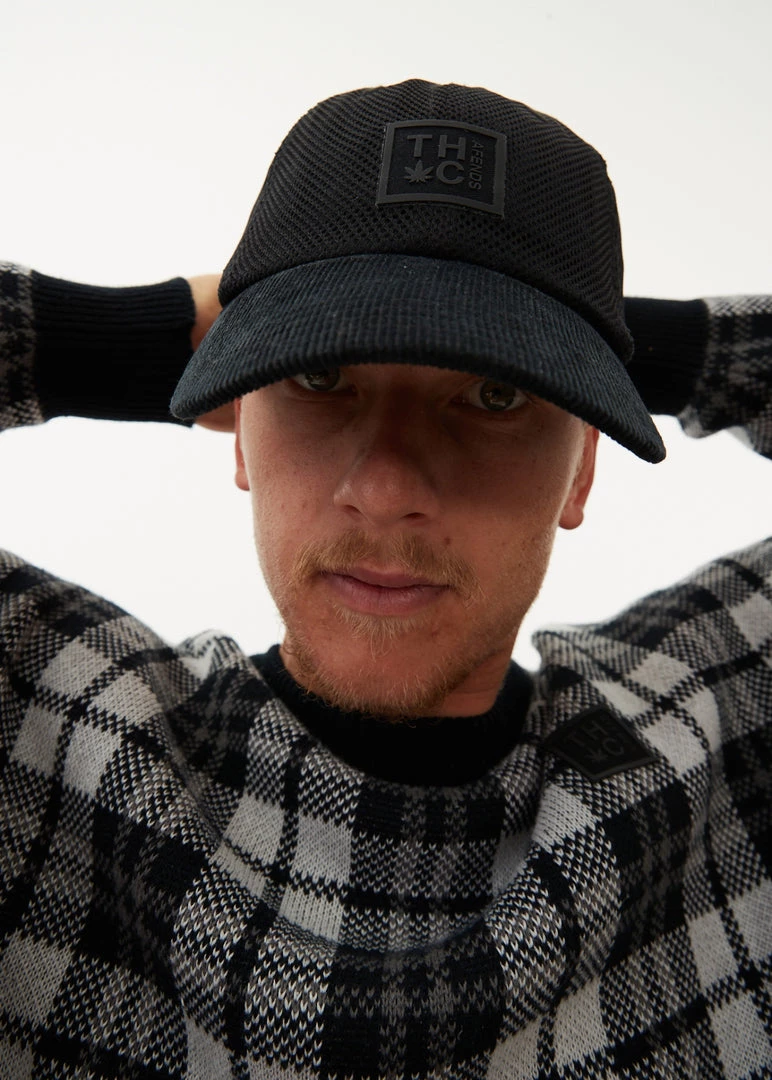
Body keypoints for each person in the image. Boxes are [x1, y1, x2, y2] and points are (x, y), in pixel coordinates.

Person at [0, 79, 769, 1080]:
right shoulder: (49, 726)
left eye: (495, 394)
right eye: (319, 377)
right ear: (238, 429)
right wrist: (147, 337)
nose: (386, 489)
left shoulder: (713, 733)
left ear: (584, 467)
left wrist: (596, 344)